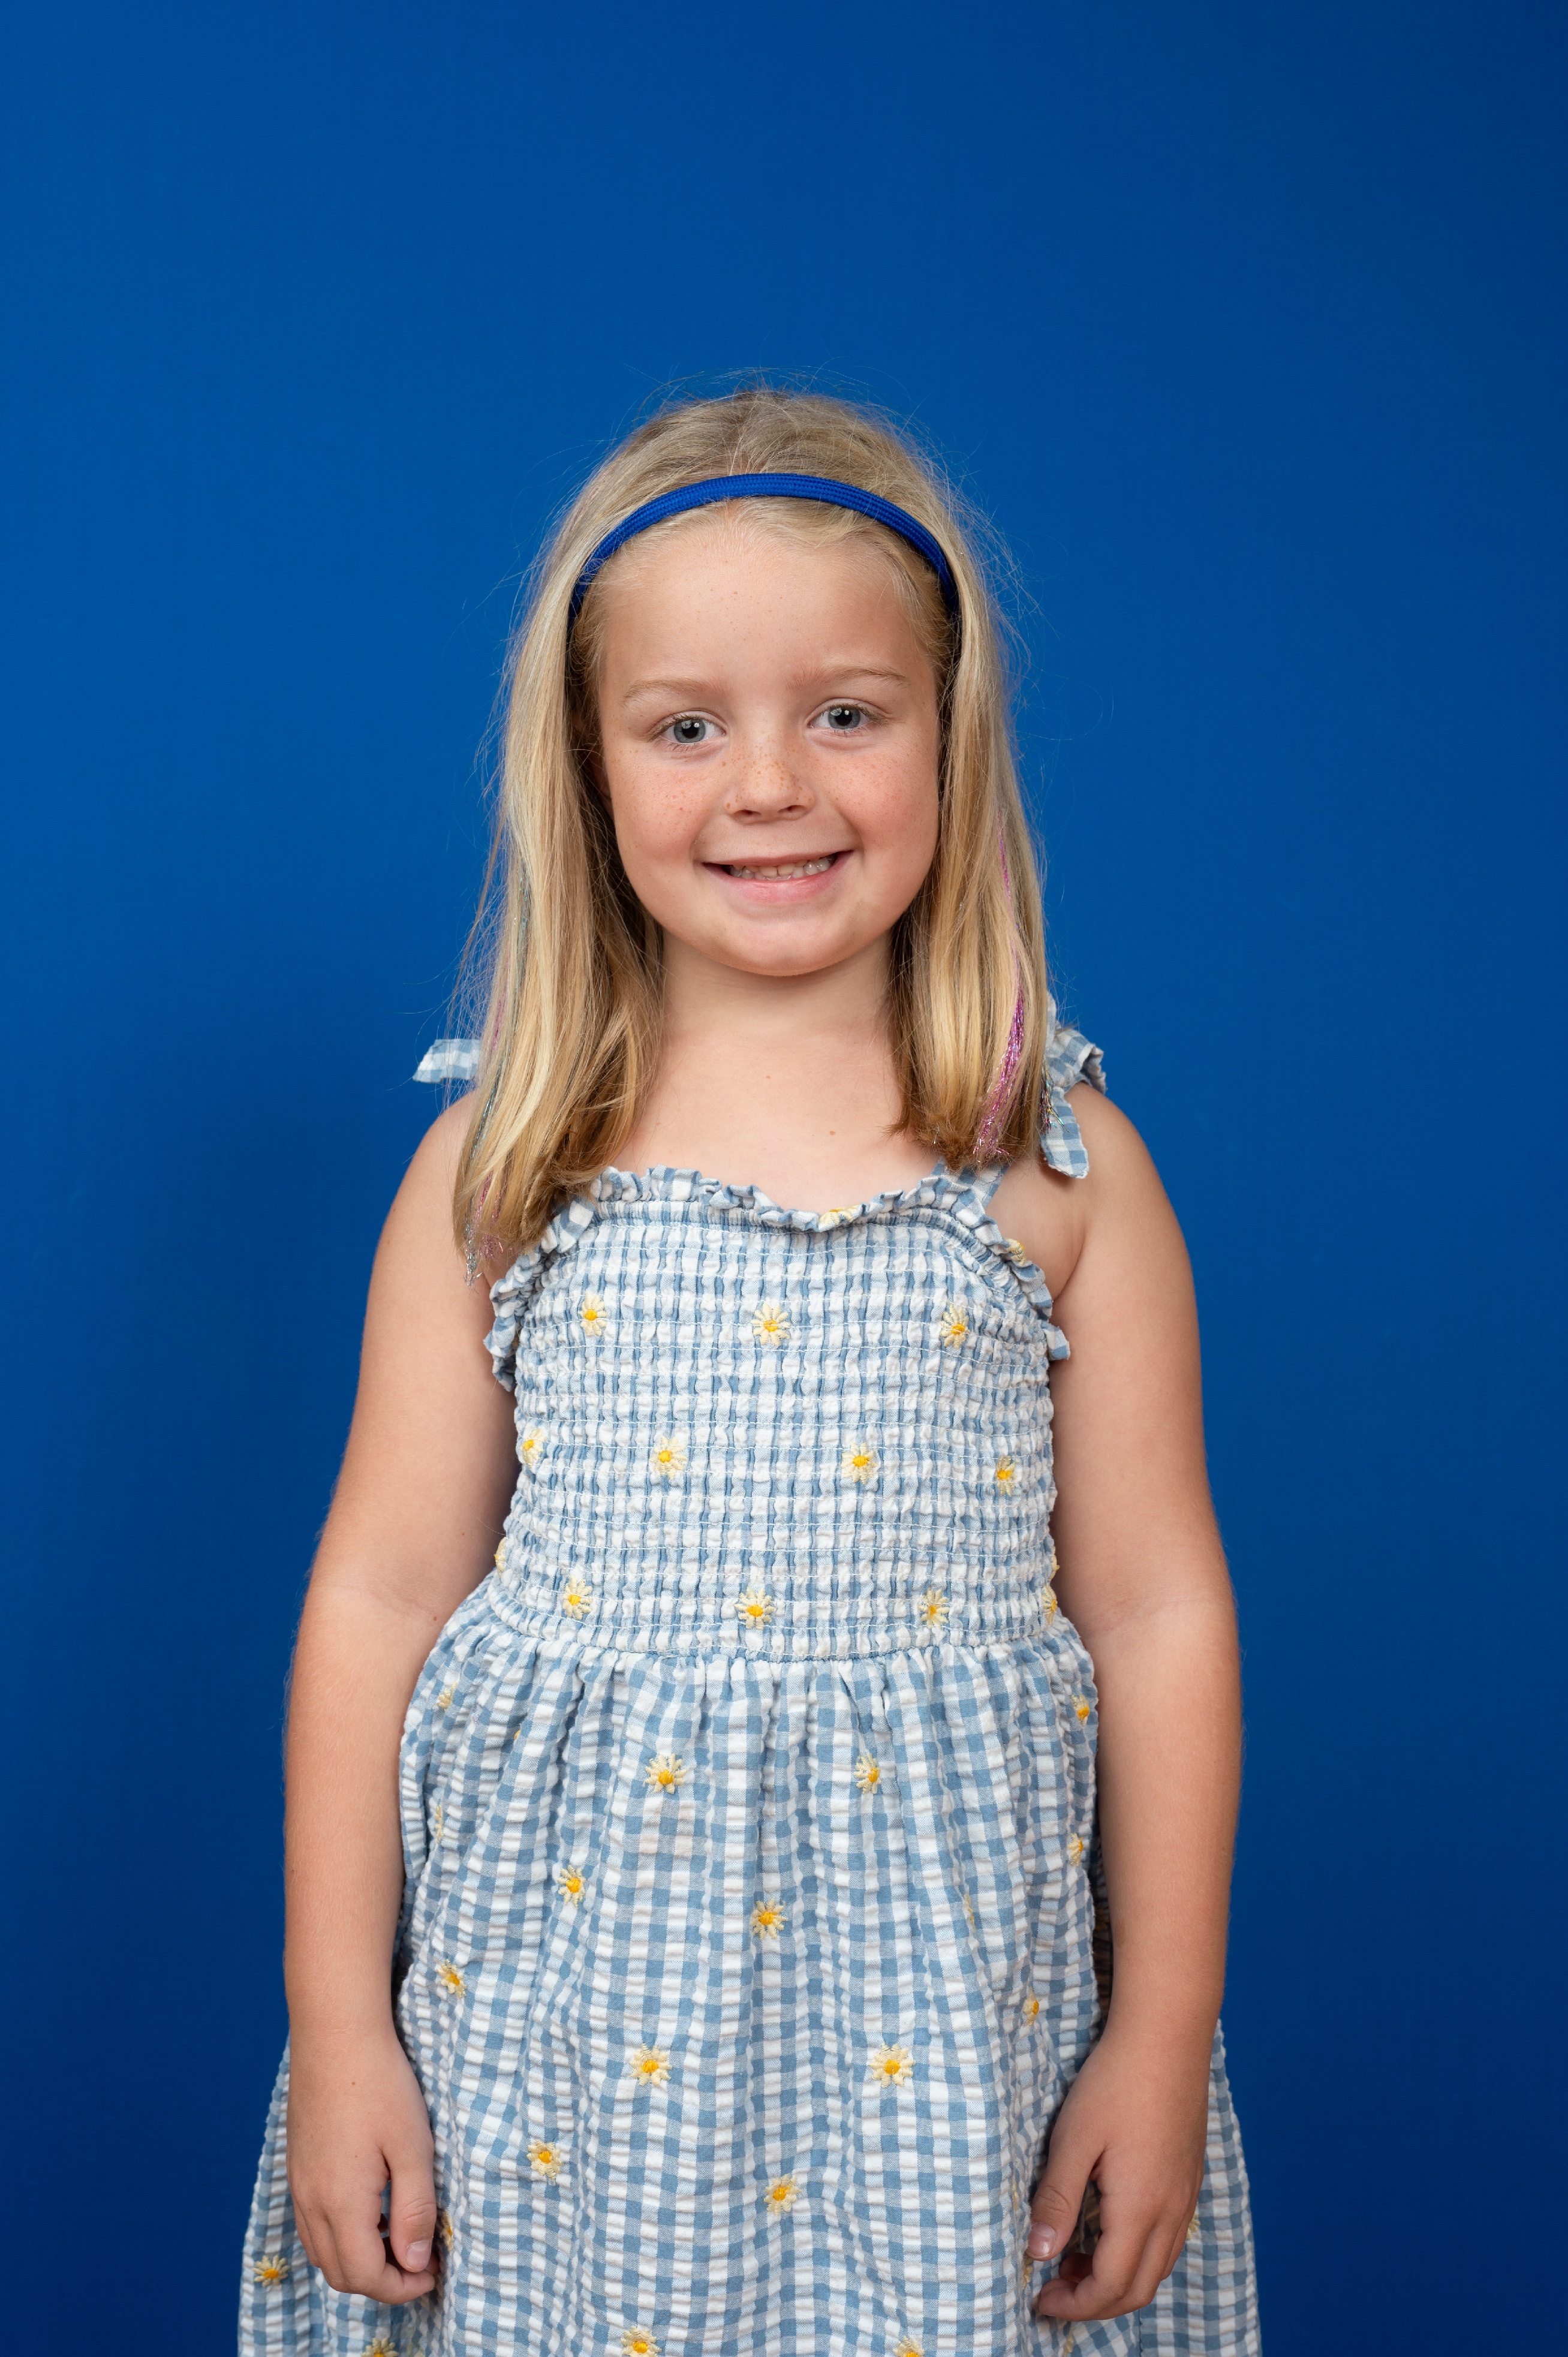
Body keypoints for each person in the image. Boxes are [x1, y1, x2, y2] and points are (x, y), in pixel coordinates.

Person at [240, 386, 1259, 2356]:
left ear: (950, 739)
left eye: (847, 713)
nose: (770, 783)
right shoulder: (503, 1170)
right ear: (589, 765)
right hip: (567, 2059)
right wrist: (339, 2016)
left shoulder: (1056, 1170)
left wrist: (1163, 2025)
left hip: (945, 2053)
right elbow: (376, 1595)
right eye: (686, 725)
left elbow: (1157, 1611)